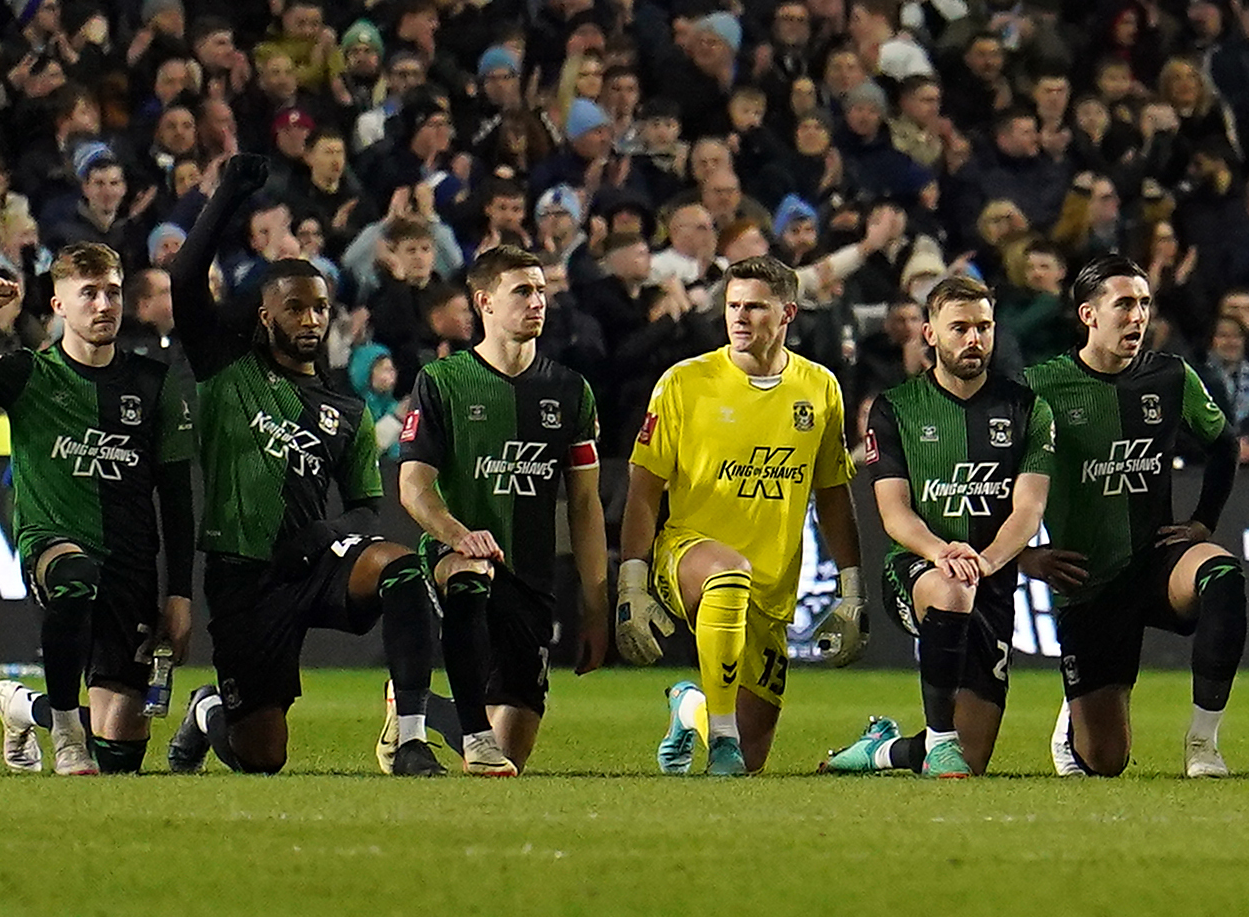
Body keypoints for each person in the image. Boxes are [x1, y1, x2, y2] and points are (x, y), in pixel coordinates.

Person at [171, 261, 451, 773]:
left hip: (315, 562)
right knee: (261, 759)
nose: (310, 320)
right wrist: (234, 189)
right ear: (265, 316)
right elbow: (185, 282)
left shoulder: (347, 409)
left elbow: (367, 505)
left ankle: (409, 738)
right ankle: (207, 707)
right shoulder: (228, 373)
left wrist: (327, 533)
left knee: (402, 568)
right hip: (245, 577)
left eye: (320, 308)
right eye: (294, 308)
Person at [617, 256, 868, 775]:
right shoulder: (685, 383)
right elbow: (643, 490)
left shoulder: (819, 389)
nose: (740, 317)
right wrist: (632, 584)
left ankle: (693, 709)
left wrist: (852, 590)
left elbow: (834, 496)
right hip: (688, 555)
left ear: (788, 314)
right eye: (733, 305)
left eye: (755, 307)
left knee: (750, 763)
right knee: (728, 573)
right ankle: (722, 734)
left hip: (773, 586)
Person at [821, 270, 1060, 776]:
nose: (974, 339)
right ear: (929, 333)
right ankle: (940, 738)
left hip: (990, 578)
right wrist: (942, 552)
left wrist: (989, 561)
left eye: (984, 327)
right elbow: (894, 512)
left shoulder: (1026, 409)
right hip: (917, 569)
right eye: (960, 328)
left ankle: (883, 749)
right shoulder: (895, 408)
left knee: (973, 761)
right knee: (951, 591)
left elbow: (1028, 509)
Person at [1018, 264, 1249, 775]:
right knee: (1105, 762)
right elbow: (996, 476)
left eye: (1145, 304)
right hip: (1088, 579)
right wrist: (1024, 555)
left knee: (1222, 574)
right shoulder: (1041, 387)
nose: (1138, 316)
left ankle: (1203, 741)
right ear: (1089, 315)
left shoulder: (1170, 376)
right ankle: (1074, 718)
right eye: (1124, 304)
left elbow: (1225, 445)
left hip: (1156, 560)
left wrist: (1202, 524)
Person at [0, 239, 190, 775]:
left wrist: (180, 593)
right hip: (53, 542)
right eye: (88, 293)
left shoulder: (153, 384)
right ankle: (66, 733)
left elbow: (178, 496)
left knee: (119, 756)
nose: (103, 305)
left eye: (113, 293)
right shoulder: (27, 373)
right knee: (74, 575)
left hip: (130, 564)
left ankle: (23, 706)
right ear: (58, 305)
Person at [392, 239, 602, 774]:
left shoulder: (570, 391)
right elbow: (414, 486)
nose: (537, 302)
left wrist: (597, 600)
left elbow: (584, 504)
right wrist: (456, 533)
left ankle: (419, 710)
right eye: (522, 291)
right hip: (455, 556)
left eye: (541, 291)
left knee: (512, 756)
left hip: (530, 578)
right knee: (471, 574)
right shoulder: (442, 381)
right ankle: (474, 736)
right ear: (484, 303)